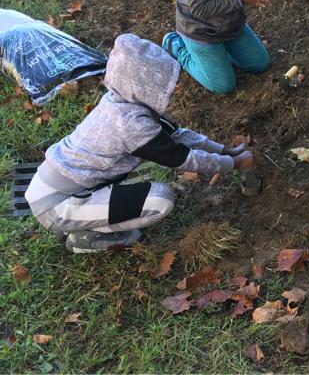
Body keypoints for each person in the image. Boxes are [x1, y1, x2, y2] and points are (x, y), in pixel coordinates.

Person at [25, 34, 255, 254]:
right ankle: (86, 237)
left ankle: (89, 217)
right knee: (160, 200)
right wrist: (231, 164)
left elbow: (178, 136)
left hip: (59, 187)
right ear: (144, 86)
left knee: (149, 199)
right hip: (56, 205)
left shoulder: (124, 101)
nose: (172, 89)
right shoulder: (131, 125)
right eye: (163, 84)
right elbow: (181, 158)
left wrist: (225, 151)